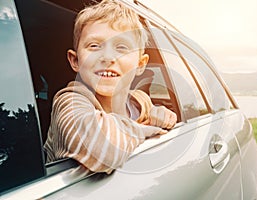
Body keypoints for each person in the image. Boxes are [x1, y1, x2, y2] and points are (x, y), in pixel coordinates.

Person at [44, 0, 177, 174]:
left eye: (122, 47)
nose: (107, 57)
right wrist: (145, 131)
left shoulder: (139, 100)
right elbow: (102, 151)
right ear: (75, 61)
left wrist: (161, 114)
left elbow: (155, 114)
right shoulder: (69, 101)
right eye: (94, 46)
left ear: (140, 64)